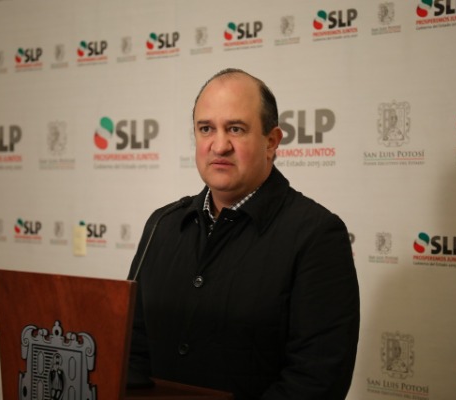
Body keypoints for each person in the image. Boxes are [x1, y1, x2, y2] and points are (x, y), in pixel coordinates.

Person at [127, 68, 360, 400]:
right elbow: (131, 350)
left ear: (271, 142)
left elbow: (316, 380)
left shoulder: (317, 235)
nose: (219, 145)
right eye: (206, 129)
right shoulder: (162, 225)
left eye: (235, 129)